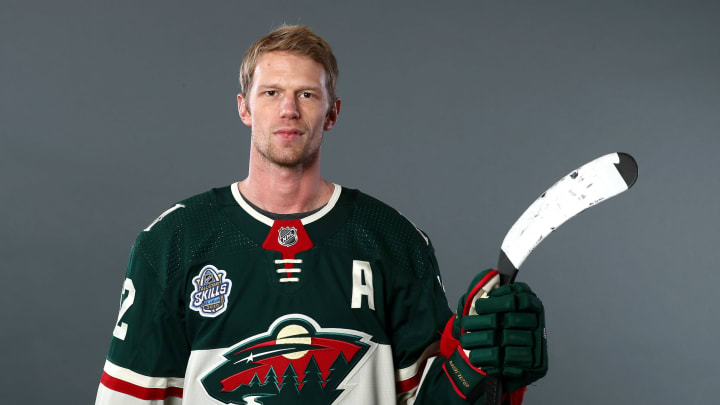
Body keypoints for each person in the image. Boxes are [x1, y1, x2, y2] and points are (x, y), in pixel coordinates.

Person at [95, 25, 547, 405]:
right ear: (244, 107)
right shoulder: (174, 241)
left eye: (307, 94)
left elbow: (430, 398)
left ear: (332, 112)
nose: (288, 109)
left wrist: (475, 366)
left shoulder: (394, 239)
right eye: (271, 92)